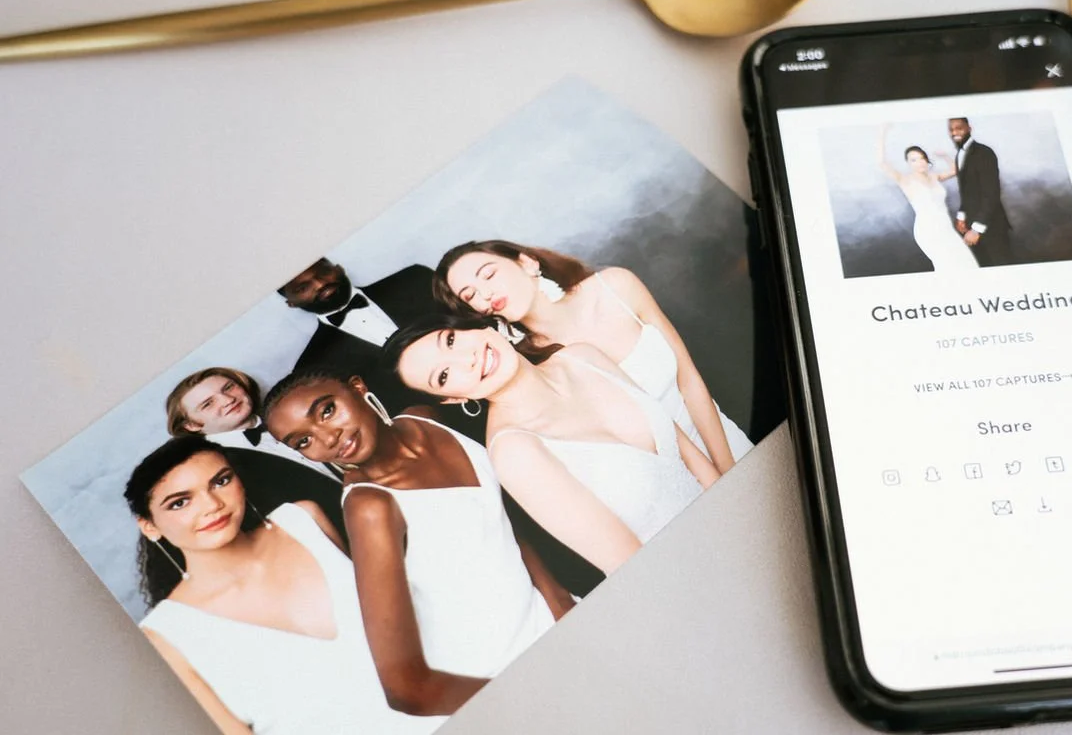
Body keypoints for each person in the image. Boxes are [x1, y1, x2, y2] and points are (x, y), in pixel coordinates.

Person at [261, 368, 572, 707]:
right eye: (303, 442)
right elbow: (404, 689)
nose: (328, 438)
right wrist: (519, 700)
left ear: (357, 385)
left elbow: (501, 524)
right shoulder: (370, 506)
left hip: (549, 619)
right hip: (497, 668)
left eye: (327, 410)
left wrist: (560, 604)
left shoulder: (425, 418)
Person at [126, 436, 445, 733]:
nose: (212, 505)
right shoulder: (165, 634)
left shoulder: (304, 519)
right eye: (180, 502)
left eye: (221, 481)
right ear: (150, 527)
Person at [384, 314, 720, 575]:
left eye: (451, 340)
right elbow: (629, 562)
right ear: (453, 398)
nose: (466, 359)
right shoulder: (515, 452)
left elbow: (690, 454)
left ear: (478, 327)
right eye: (443, 375)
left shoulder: (583, 356)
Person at [433, 240, 750, 473]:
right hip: (668, 479)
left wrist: (728, 468)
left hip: (723, 442)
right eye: (470, 296)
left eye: (488, 274)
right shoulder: (530, 366)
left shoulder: (615, 286)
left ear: (527, 262)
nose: (485, 294)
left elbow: (689, 381)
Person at [280, 259, 469, 432]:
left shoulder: (413, 279)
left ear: (337, 267)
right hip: (440, 433)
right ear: (291, 303)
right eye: (302, 288)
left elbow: (472, 322)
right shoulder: (313, 365)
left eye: (322, 272)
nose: (321, 284)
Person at [165, 367, 345, 535]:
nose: (228, 400)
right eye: (208, 404)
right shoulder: (215, 468)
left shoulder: (290, 416)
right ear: (192, 425)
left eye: (229, 387)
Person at [874, 126, 978, 272]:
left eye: (922, 158)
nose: (920, 162)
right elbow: (881, 163)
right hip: (928, 230)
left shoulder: (934, 176)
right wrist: (882, 132)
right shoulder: (905, 180)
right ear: (909, 163)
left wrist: (945, 156)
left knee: (967, 263)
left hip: (946, 228)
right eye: (914, 160)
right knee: (947, 266)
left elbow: (955, 171)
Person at [947, 117, 1013, 267]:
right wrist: (961, 216)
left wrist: (977, 230)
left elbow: (992, 193)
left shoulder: (984, 153)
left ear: (969, 128)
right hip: (970, 226)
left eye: (959, 128)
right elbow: (967, 191)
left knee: (1004, 271)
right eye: (951, 129)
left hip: (991, 227)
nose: (954, 132)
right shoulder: (959, 155)